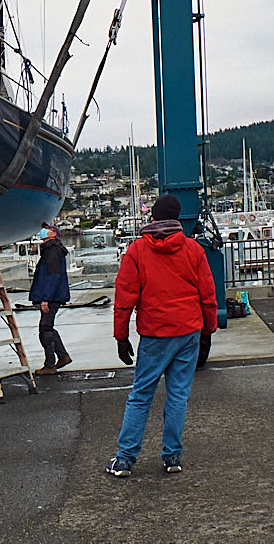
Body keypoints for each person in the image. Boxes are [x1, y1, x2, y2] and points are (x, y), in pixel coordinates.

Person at [106, 194, 217, 477]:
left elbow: (125, 296)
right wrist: (209, 328)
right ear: (177, 219)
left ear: (153, 218)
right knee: (178, 396)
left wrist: (121, 336)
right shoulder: (193, 250)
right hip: (188, 330)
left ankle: (125, 459)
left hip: (155, 333)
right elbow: (207, 293)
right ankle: (172, 457)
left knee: (141, 395)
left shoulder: (137, 251)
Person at [28, 224, 72, 375]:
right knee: (47, 327)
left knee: (45, 329)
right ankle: (62, 356)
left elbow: (53, 276)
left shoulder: (52, 251)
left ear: (54, 234)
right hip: (52, 296)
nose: (43, 231)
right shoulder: (51, 249)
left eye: (47, 229)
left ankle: (50, 364)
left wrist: (46, 298)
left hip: (51, 297)